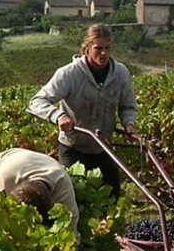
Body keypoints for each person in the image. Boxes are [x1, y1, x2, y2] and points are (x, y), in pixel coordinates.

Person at [27, 23, 139, 199]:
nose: (103, 53)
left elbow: (128, 106)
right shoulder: (69, 74)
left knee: (112, 197)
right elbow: (37, 101)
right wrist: (59, 116)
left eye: (107, 48)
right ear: (87, 48)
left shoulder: (120, 73)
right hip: (73, 147)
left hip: (103, 147)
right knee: (73, 199)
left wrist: (129, 124)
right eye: (98, 48)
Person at [0, 148, 79, 234]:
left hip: (31, 163)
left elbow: (71, 227)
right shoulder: (1, 184)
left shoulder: (63, 187)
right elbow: (1, 217)